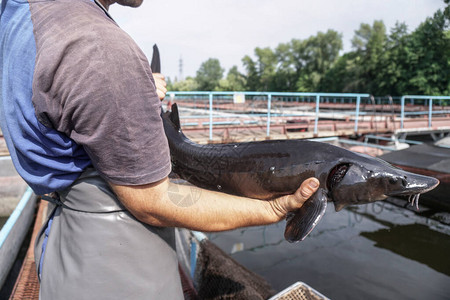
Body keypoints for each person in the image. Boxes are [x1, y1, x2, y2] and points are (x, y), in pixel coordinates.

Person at [0, 0, 319, 299]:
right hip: (118, 268)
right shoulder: (97, 46)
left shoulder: (23, 15)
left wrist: (130, 89)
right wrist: (272, 209)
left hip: (64, 253)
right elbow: (153, 201)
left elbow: (61, 95)